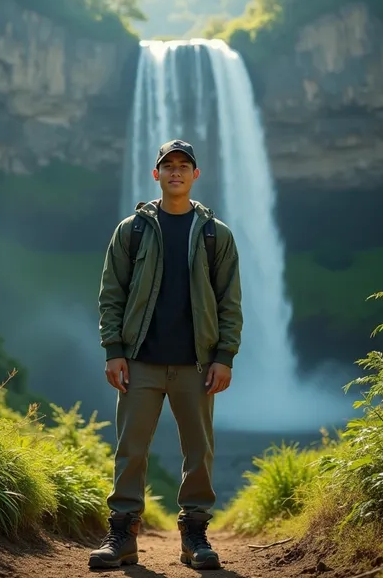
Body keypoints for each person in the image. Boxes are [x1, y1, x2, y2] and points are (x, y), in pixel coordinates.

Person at [89, 139, 243, 571]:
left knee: (199, 451)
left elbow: (230, 301)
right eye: (168, 165)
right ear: (156, 175)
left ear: (196, 174)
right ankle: (122, 535)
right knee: (130, 449)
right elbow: (111, 295)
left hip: (197, 364)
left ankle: (194, 536)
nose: (176, 172)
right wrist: (114, 350)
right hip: (140, 361)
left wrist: (225, 355)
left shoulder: (217, 235)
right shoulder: (131, 229)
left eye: (184, 165)